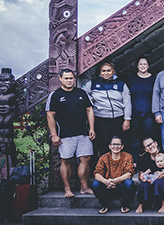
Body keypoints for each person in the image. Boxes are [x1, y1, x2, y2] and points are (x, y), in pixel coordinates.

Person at [46, 68, 96, 198]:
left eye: (71, 78)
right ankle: (67, 189)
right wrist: (54, 135)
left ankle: (84, 187)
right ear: (60, 79)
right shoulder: (55, 95)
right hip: (65, 135)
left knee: (85, 159)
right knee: (66, 160)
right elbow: (50, 116)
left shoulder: (82, 93)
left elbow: (89, 110)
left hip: (83, 133)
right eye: (66, 78)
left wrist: (91, 128)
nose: (69, 80)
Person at [82, 62, 131, 157]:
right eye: (103, 71)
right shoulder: (93, 83)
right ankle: (104, 168)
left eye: (108, 70)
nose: (106, 73)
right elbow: (81, 93)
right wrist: (90, 100)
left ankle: (119, 168)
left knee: (119, 144)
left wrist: (127, 119)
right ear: (100, 72)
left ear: (113, 71)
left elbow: (127, 102)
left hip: (118, 119)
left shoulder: (121, 84)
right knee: (103, 145)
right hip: (101, 120)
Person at [91, 136, 135, 214]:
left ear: (122, 146)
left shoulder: (127, 156)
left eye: (118, 144)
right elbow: (97, 174)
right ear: (109, 146)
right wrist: (106, 181)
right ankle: (105, 205)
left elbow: (129, 174)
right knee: (95, 184)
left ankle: (124, 205)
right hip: (107, 186)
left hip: (121, 186)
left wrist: (114, 181)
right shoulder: (103, 158)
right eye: (113, 144)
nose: (116, 146)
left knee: (129, 183)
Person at [127, 58, 158, 163]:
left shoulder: (154, 79)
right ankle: (134, 163)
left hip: (149, 114)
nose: (143, 66)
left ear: (148, 66)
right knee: (134, 140)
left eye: (145, 64)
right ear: (137, 66)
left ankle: (151, 162)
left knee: (150, 139)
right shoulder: (131, 79)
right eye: (141, 64)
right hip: (134, 114)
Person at [136, 137, 164, 214]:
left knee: (158, 182)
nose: (150, 147)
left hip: (163, 182)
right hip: (149, 181)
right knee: (143, 184)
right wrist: (144, 178)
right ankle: (141, 204)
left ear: (156, 143)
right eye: (147, 146)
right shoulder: (143, 158)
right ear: (145, 149)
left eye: (151, 143)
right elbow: (141, 174)